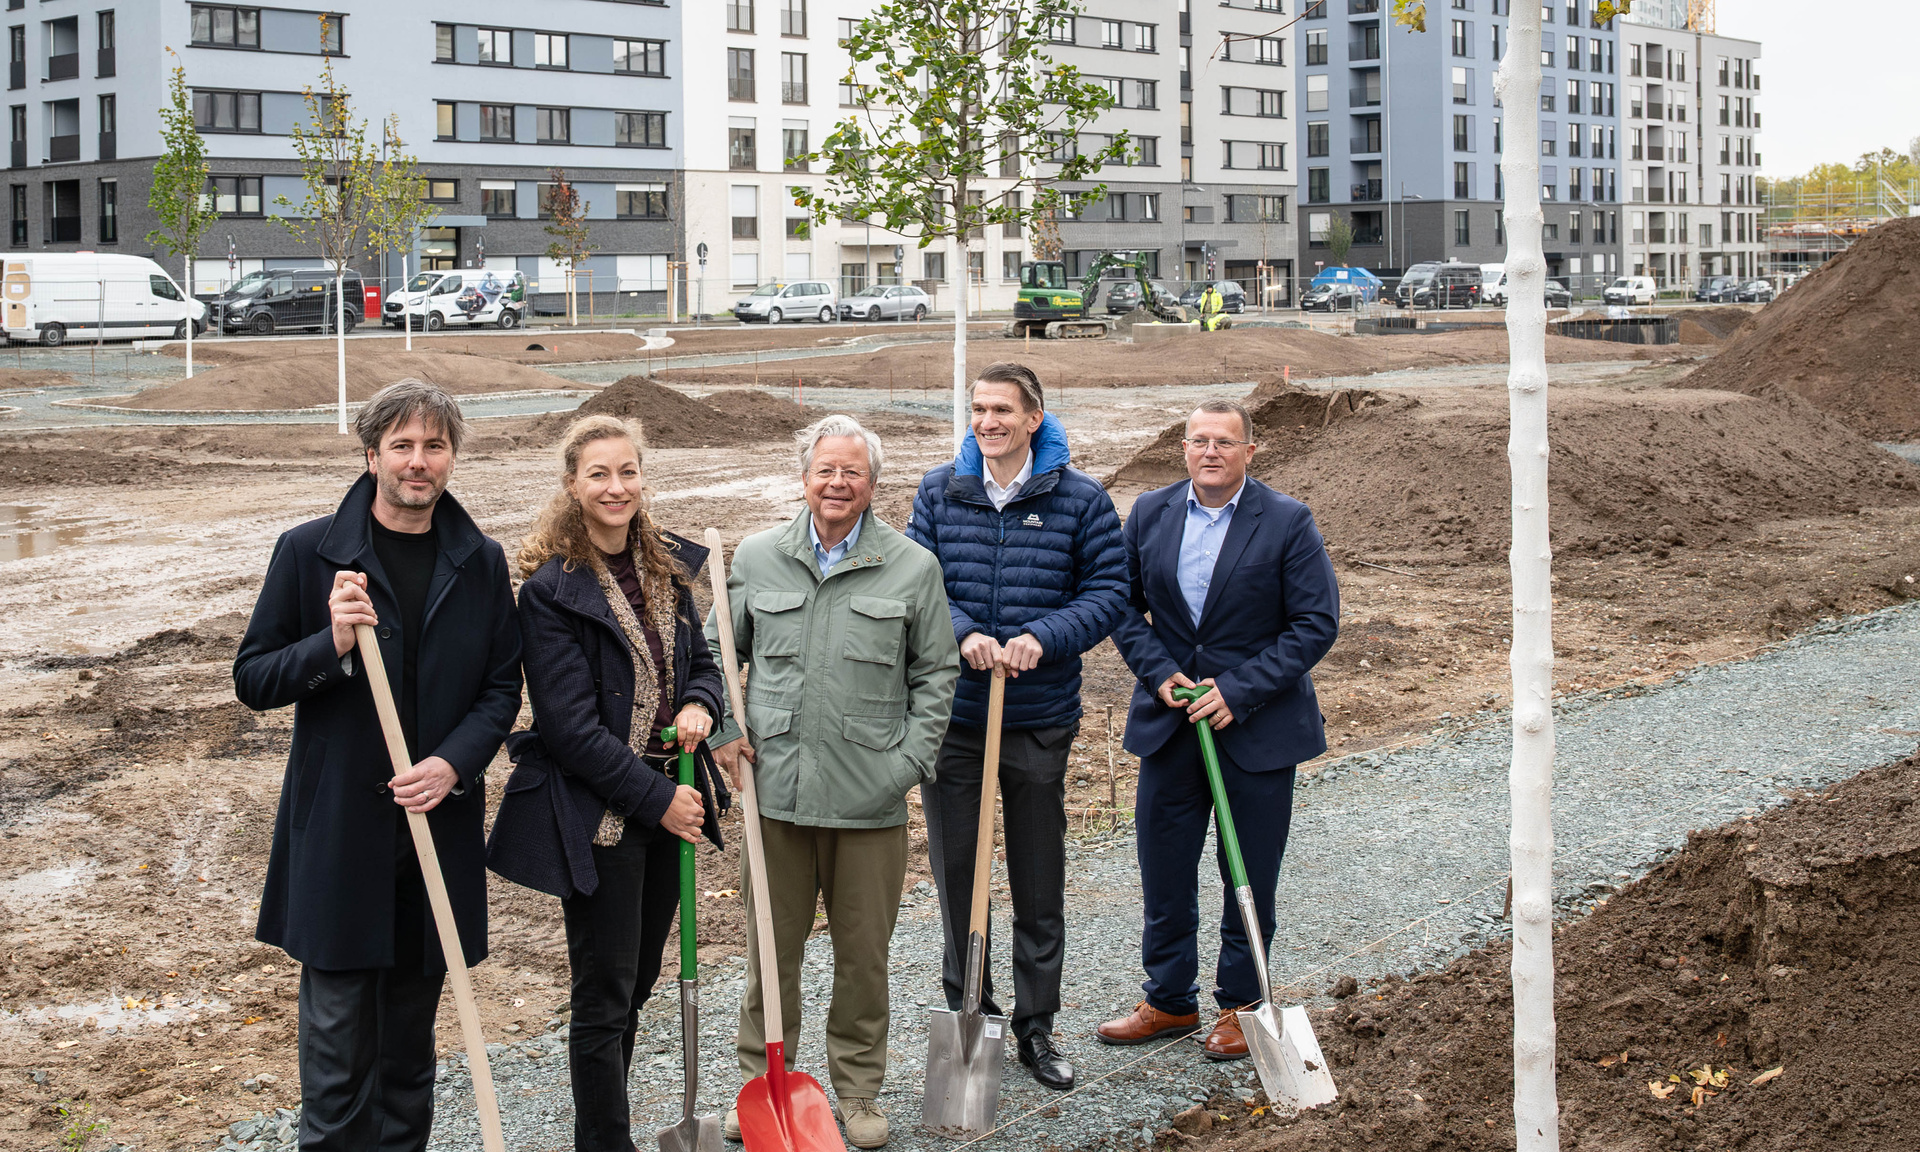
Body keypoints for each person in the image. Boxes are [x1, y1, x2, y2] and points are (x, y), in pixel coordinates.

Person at [233, 379, 522, 1151]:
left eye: (434, 446)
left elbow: (501, 689)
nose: (418, 462)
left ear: (452, 457)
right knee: (335, 1064)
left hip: (435, 832)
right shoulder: (311, 553)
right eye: (402, 446)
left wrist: (453, 764)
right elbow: (253, 679)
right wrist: (328, 643)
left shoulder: (481, 562)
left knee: (407, 1061)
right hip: (341, 837)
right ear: (372, 456)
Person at [707, 414, 959, 1149]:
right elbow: (716, 654)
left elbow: (937, 673)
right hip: (775, 798)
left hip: (869, 803)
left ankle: (857, 1091)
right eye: (826, 470)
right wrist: (724, 730)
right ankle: (764, 1086)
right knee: (769, 958)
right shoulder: (758, 557)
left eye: (852, 471)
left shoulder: (912, 567)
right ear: (804, 477)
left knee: (863, 961)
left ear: (873, 483)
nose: (838, 483)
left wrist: (904, 766)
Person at [487, 415, 731, 1152]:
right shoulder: (551, 591)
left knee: (640, 981)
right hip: (603, 816)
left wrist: (701, 704)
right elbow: (568, 728)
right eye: (599, 474)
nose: (616, 487)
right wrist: (661, 802)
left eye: (628, 472)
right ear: (572, 485)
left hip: (669, 798)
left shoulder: (666, 569)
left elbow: (702, 666)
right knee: (603, 995)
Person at [905, 362, 1127, 1091]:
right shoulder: (940, 491)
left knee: (1037, 877)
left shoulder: (1080, 498)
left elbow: (1109, 591)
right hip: (954, 716)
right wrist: (961, 632)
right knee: (957, 874)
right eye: (978, 409)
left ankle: (1036, 1026)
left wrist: (1044, 636)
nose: (987, 422)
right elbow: (917, 583)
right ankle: (971, 1010)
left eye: (1002, 410)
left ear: (1034, 418)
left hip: (1037, 717)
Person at [1100, 398, 1339, 1061]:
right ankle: (1169, 1000)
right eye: (1199, 440)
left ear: (1249, 451)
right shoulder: (1150, 512)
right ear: (1183, 448)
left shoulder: (1287, 521)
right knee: (1165, 869)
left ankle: (1242, 1003)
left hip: (1256, 730)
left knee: (1249, 872)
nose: (1210, 452)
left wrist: (1237, 691)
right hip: (1172, 725)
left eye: (1225, 442)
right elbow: (1121, 605)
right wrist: (1160, 674)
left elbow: (1315, 623)